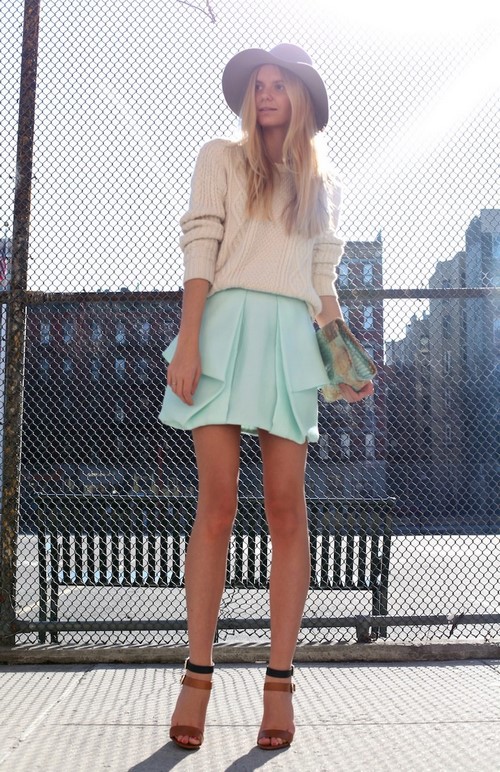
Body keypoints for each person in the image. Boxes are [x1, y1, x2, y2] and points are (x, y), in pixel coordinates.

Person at [159, 43, 374, 751]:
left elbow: (323, 278)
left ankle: (279, 686)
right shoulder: (219, 158)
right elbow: (200, 247)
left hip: (288, 337)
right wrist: (189, 340)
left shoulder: (322, 182)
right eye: (259, 83)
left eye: (280, 83)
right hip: (222, 330)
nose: (267, 92)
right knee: (216, 507)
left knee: (287, 511)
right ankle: (197, 678)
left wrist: (342, 354)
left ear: (301, 95)